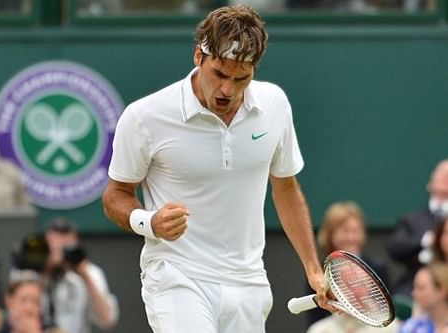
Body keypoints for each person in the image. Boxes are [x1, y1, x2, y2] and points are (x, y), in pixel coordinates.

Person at [102, 5, 332, 332]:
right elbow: (116, 194)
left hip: (248, 281)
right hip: (177, 275)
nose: (228, 89)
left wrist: (313, 268)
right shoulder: (144, 117)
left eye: (242, 78)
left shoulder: (275, 104)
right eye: (220, 74)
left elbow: (286, 188)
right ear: (198, 56)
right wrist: (149, 221)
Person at [305, 201, 391, 327]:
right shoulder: (318, 273)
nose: (351, 238)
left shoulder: (378, 267)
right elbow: (314, 318)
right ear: (330, 234)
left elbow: (385, 312)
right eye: (345, 231)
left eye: (355, 231)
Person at [41, 218, 119, 333]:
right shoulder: (34, 271)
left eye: (67, 249)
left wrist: (85, 276)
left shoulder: (91, 272)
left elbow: (107, 319)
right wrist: (46, 269)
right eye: (54, 249)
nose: (61, 255)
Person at [387, 159, 448, 298]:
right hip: (413, 287)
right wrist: (426, 240)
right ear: (430, 184)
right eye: (442, 174)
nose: (446, 177)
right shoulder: (411, 220)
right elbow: (395, 248)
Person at [0, 271, 64, 333]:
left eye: (36, 301)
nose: (29, 308)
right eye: (24, 300)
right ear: (9, 300)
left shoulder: (53, 329)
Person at [399, 263, 448, 333]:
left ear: (442, 291)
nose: (414, 293)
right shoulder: (412, 326)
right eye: (415, 287)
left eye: (421, 288)